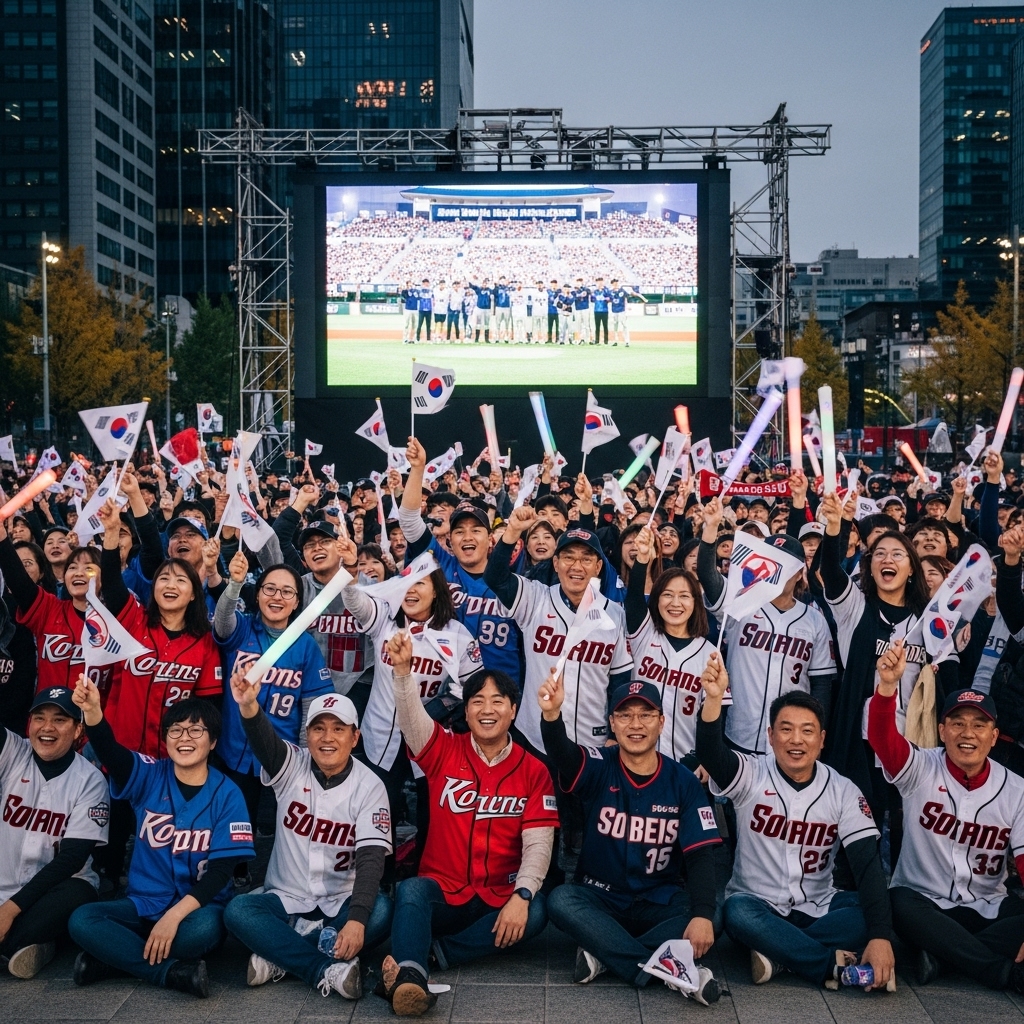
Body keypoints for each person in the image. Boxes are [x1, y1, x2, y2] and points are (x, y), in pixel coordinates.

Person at [379, 632, 556, 1016]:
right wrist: (403, 672)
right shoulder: (444, 748)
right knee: (411, 891)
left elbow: (539, 844)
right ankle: (411, 979)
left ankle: (425, 957)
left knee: (539, 911)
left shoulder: (534, 770)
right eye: (477, 701)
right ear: (467, 709)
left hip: (498, 898)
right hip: (445, 893)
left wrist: (522, 897)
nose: (487, 709)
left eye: (497, 701)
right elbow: (412, 722)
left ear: (512, 709)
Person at [695, 653, 895, 991]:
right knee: (736, 914)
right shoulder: (752, 772)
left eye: (807, 731)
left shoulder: (843, 790)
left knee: (883, 910)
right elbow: (711, 755)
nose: (796, 740)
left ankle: (779, 956)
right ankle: (827, 963)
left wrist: (879, 937)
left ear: (822, 739)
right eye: (786, 730)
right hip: (756, 904)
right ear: (771, 736)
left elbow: (867, 866)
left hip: (819, 906)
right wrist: (714, 700)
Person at [541, 671, 723, 1005]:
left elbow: (700, 856)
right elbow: (564, 755)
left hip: (659, 901)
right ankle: (662, 966)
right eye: (625, 715)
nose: (635, 724)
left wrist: (701, 916)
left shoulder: (682, 781)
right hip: (601, 898)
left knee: (711, 914)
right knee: (561, 900)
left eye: (645, 715)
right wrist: (552, 717)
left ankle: (605, 955)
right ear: (612, 722)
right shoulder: (601, 764)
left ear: (661, 721)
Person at [68, 680, 255, 997]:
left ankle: (114, 959)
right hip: (142, 905)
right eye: (176, 731)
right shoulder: (150, 775)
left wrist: (173, 917)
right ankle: (169, 972)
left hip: (196, 912)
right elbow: (113, 755)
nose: (185, 738)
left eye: (196, 731)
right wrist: (94, 713)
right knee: (83, 919)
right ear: (166, 739)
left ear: (212, 742)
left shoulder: (229, 794)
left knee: (200, 934)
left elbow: (221, 873)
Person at [223, 669, 393, 1000]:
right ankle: (323, 968)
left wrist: (356, 921)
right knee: (238, 911)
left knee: (381, 911)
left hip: (340, 899)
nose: (327, 737)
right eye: (318, 728)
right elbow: (264, 741)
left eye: (338, 729)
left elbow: (372, 860)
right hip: (286, 899)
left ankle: (279, 955)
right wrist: (248, 705)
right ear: (307, 735)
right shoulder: (293, 764)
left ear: (354, 737)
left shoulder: (370, 785)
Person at [870, 641, 1024, 991]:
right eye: (957, 723)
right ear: (942, 731)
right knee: (897, 902)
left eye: (979, 725)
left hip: (986, 908)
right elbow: (883, 740)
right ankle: (1000, 973)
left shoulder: (1017, 790)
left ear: (994, 736)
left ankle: (941, 958)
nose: (967, 733)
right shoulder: (922, 766)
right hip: (923, 904)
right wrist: (887, 688)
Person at [340, 546, 481, 829]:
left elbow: (473, 688)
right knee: (379, 814)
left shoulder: (457, 634)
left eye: (420, 583)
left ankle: (424, 870)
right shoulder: (384, 621)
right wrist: (351, 569)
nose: (411, 591)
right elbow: (355, 602)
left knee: (430, 818)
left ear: (437, 591)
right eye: (407, 583)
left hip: (430, 738)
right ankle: (382, 871)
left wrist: (439, 708)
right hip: (380, 736)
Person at [213, 551, 333, 865]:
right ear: (258, 594)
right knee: (237, 820)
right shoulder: (242, 628)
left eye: (286, 592)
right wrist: (234, 585)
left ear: (297, 602)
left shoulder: (305, 645)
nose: (277, 597)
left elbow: (312, 705)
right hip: (235, 750)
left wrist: (309, 757)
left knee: (283, 827)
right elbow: (222, 620)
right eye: (269, 589)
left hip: (283, 754)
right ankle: (234, 870)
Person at [484, 507, 632, 757]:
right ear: (555, 562)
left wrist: (615, 734)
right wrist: (512, 532)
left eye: (586, 559)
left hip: (591, 742)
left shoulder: (615, 614)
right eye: (569, 557)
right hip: (534, 738)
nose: (577, 566)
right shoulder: (535, 598)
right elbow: (495, 578)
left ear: (597, 567)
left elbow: (619, 681)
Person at [696, 496, 836, 754]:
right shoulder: (741, 601)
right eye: (771, 560)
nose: (776, 569)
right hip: (739, 733)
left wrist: (814, 732)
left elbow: (822, 685)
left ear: (797, 572)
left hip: (792, 743)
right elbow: (707, 575)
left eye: (784, 564)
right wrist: (710, 529)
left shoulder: (814, 620)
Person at [0, 686, 108, 978]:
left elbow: (72, 860)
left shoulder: (91, 780)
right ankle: (33, 945)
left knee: (79, 894)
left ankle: (20, 941)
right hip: (3, 883)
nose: (47, 728)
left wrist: (10, 910)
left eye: (60, 719)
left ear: (77, 730)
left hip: (54, 891)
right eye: (39, 718)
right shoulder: (13, 751)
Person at [400, 438, 522, 684]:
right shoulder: (441, 566)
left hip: (503, 692)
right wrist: (417, 469)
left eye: (476, 530)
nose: (467, 536)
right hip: (447, 689)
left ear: (490, 540)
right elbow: (410, 521)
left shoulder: (514, 583)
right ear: (450, 541)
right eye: (459, 531)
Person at [626, 526, 717, 764]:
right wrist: (642, 560)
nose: (675, 603)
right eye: (667, 594)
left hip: (687, 761)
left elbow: (715, 714)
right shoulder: (644, 633)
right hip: (637, 757)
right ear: (656, 600)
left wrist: (707, 758)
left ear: (696, 603)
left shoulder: (709, 652)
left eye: (685, 596)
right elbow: (634, 598)